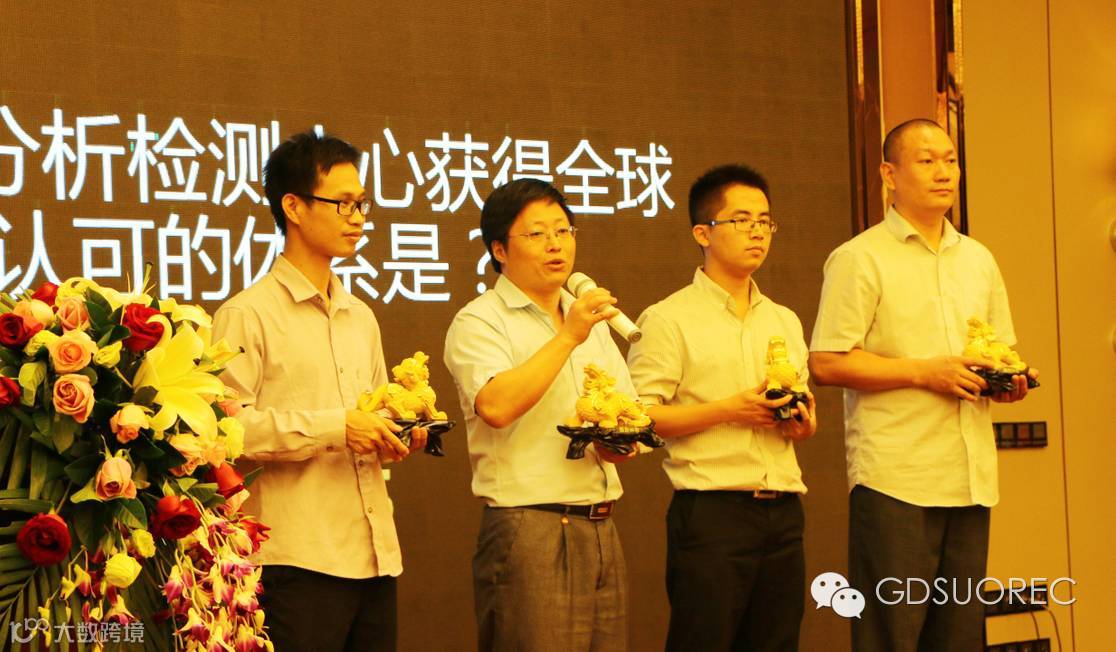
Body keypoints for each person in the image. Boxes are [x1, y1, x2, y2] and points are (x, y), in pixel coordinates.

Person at [809, 119, 1038, 651]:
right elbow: (825, 362)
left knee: (959, 640)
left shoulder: (978, 259)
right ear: (889, 174)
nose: (944, 172)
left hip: (969, 479)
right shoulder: (860, 257)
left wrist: (1007, 382)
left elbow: (997, 351)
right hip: (897, 481)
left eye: (950, 160)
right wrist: (924, 372)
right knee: (891, 638)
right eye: (927, 161)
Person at [213, 129, 426, 651]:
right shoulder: (247, 314)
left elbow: (373, 414)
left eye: (362, 204)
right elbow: (226, 432)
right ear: (294, 206)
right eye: (343, 204)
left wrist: (398, 433)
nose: (358, 218)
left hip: (375, 555)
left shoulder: (361, 316)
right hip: (295, 560)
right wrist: (337, 427)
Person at [627, 164, 817, 651]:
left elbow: (799, 413)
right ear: (702, 233)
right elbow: (640, 417)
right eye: (741, 220)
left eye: (765, 221)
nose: (757, 232)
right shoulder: (668, 318)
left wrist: (801, 423)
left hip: (783, 510)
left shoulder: (784, 319)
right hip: (712, 513)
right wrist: (730, 410)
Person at [443, 178, 637, 651]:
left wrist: (621, 440)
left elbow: (624, 412)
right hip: (531, 527)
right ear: (499, 250)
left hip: (601, 526)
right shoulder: (480, 320)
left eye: (563, 230)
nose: (556, 244)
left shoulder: (589, 320)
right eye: (537, 234)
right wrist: (568, 336)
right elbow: (496, 405)